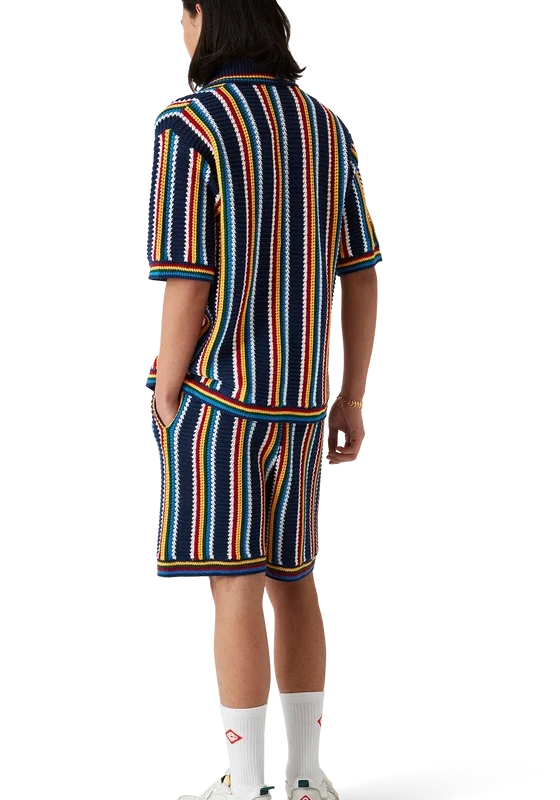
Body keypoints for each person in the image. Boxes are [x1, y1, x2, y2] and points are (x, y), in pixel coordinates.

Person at [146, 2, 382, 798]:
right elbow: (360, 272)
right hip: (303, 400)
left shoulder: (191, 127)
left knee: (234, 585)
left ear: (206, 17)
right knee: (295, 577)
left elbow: (186, 279)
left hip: (221, 397)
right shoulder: (323, 125)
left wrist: (165, 392)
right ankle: (308, 775)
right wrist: (350, 395)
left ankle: (245, 781)